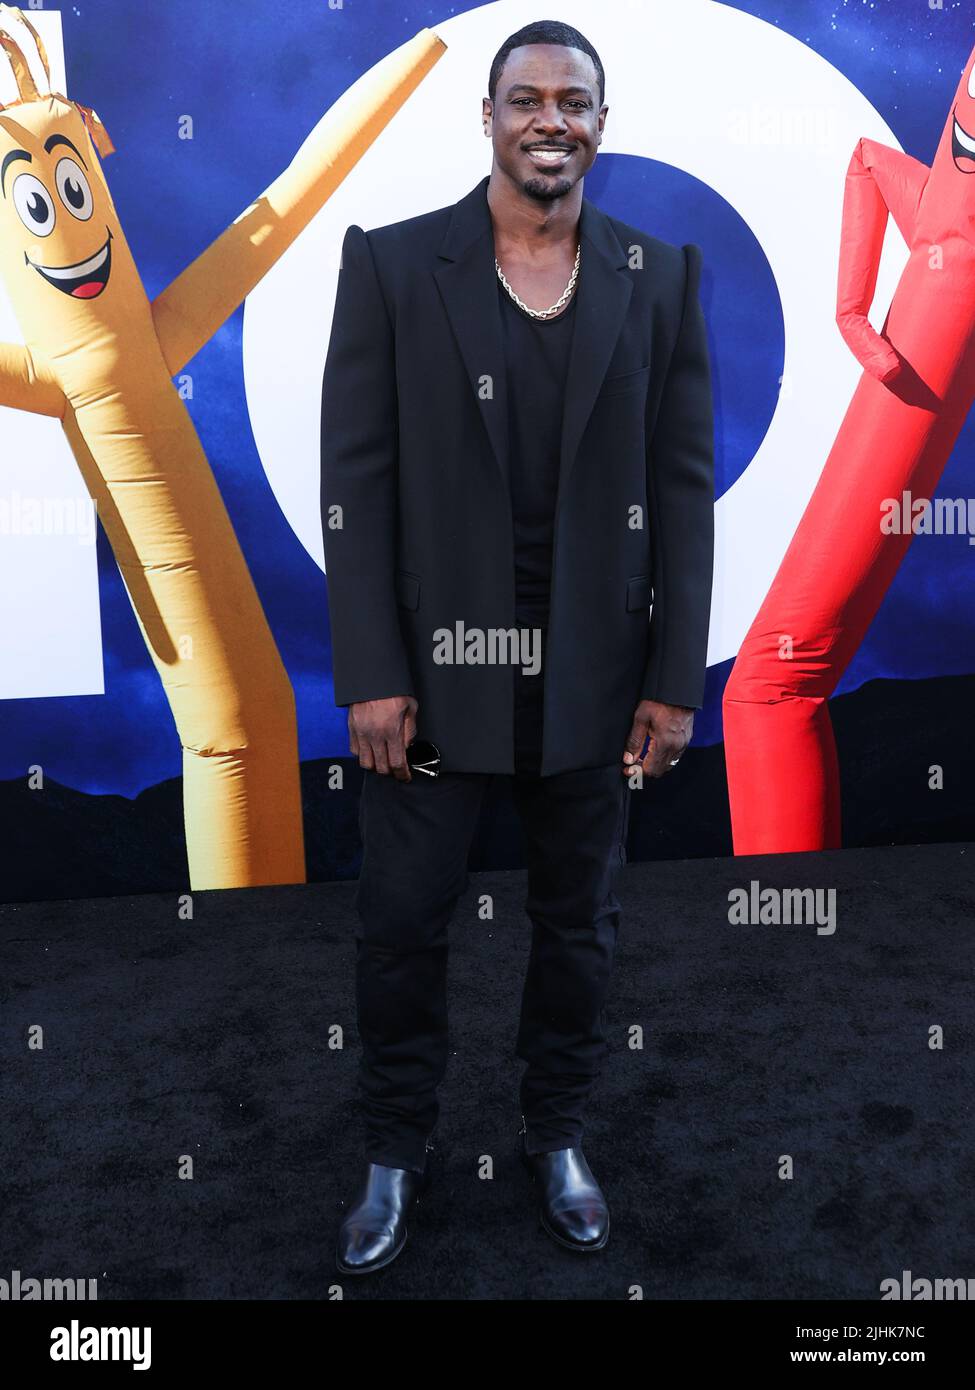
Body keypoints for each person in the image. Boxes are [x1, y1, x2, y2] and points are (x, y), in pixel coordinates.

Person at [320, 18, 714, 1274]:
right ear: (486, 118)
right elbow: (358, 485)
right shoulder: (389, 268)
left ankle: (557, 1136)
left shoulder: (662, 276)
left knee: (580, 929)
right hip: (432, 690)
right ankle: (393, 1149)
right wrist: (372, 669)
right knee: (400, 925)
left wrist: (672, 679)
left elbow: (684, 491)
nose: (553, 118)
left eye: (576, 101)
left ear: (603, 121)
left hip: (595, 689)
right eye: (527, 98)